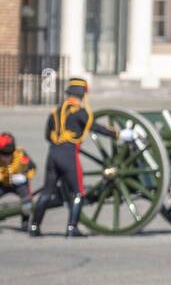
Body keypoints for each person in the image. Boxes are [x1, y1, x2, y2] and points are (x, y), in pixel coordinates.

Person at [29, 77, 116, 237]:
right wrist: (117, 134)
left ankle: (34, 227)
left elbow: (48, 135)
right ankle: (72, 228)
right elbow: (95, 127)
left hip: (53, 154)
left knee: (47, 193)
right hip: (69, 155)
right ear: (82, 95)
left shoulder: (55, 112)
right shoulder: (80, 113)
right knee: (78, 192)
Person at [0, 133, 35, 227]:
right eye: (3, 154)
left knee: (27, 200)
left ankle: (25, 221)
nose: (6, 157)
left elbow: (32, 168)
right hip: (2, 184)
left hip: (18, 184)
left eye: (9, 154)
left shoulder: (20, 153)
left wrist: (25, 176)